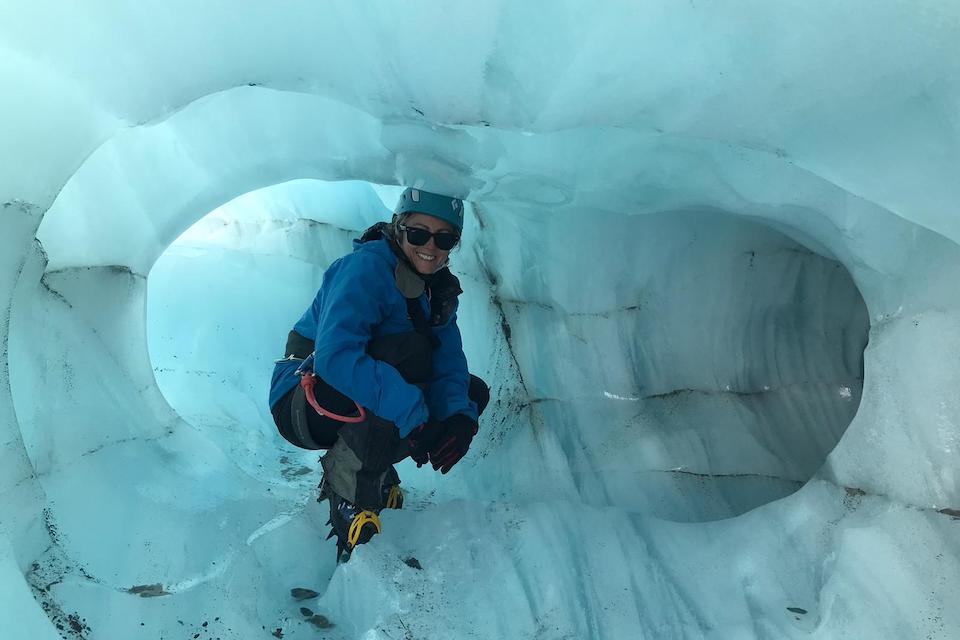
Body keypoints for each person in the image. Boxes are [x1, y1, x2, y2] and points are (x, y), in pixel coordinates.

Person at [268, 187, 489, 561]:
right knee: (402, 361)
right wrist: (417, 419)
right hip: (301, 402)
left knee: (469, 392)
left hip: (346, 393)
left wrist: (458, 419)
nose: (430, 247)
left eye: (445, 238)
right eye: (419, 234)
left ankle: (377, 465)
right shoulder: (366, 269)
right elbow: (336, 359)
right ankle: (349, 490)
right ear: (399, 227)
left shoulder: (437, 289)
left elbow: (449, 362)